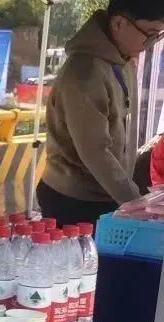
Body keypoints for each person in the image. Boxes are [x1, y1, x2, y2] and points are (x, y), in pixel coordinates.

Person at [38, 0, 164, 226]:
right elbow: (95, 151)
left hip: (108, 193)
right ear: (119, 23)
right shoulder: (84, 71)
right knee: (82, 250)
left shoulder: (123, 63)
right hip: (74, 199)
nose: (151, 44)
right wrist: (135, 201)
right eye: (150, 34)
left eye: (158, 37)